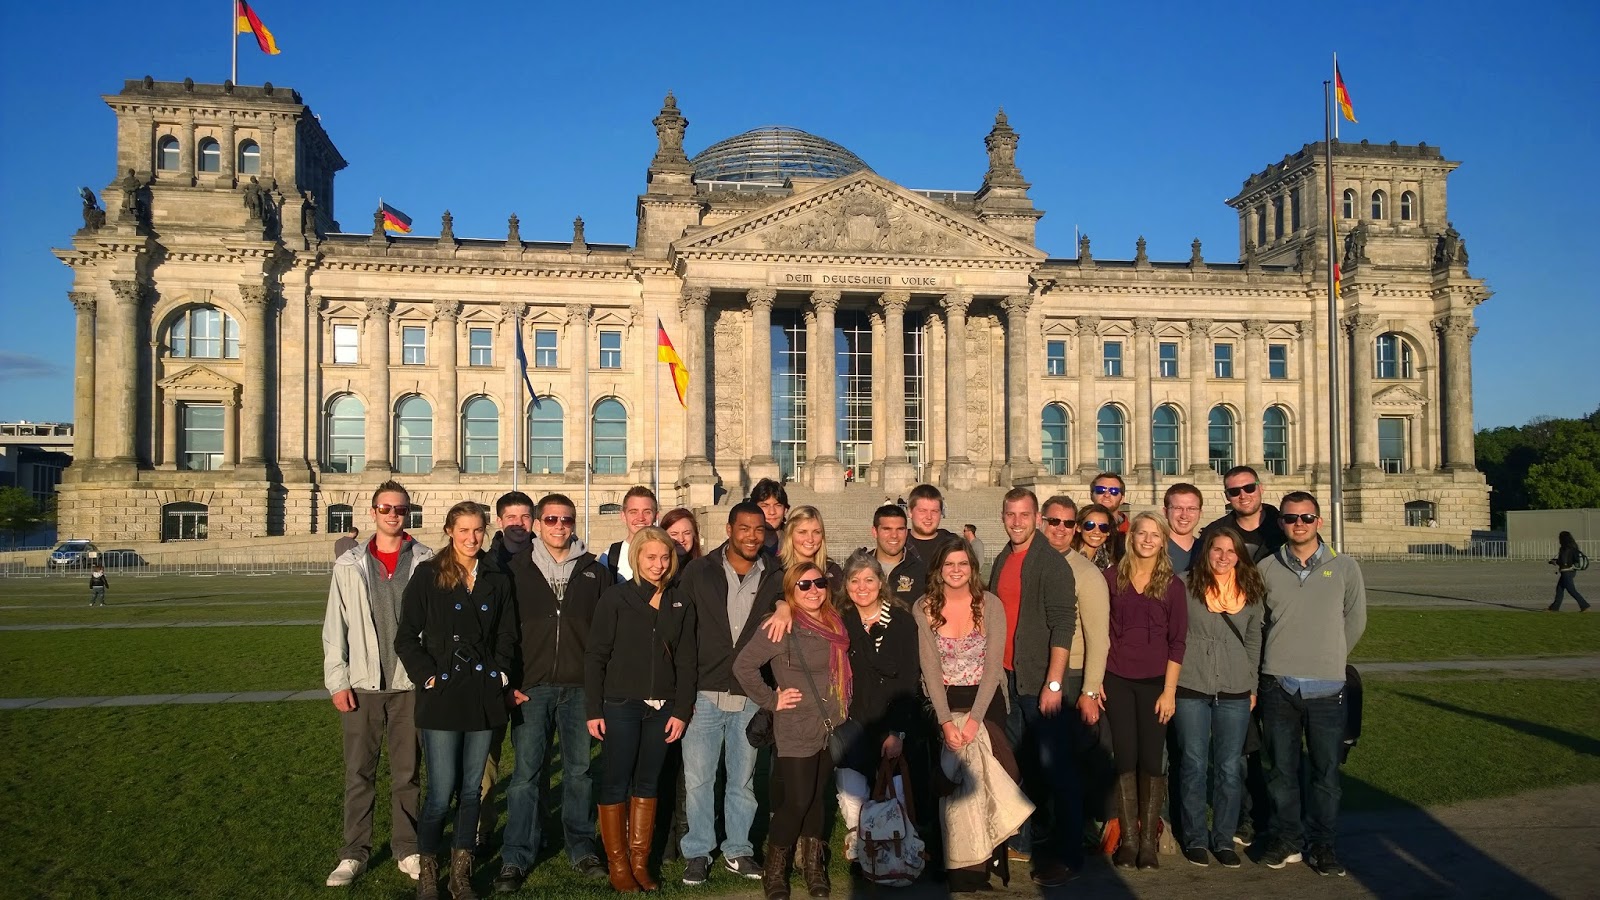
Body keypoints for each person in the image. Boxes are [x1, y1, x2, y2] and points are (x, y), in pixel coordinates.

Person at [396, 501, 518, 900]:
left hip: (482, 693)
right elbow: (406, 637)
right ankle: (429, 870)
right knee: (440, 790)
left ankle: (460, 874)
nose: (471, 538)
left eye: (478, 530)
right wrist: (429, 676)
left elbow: (507, 635)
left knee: (471, 790)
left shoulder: (497, 576)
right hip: (443, 695)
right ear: (449, 531)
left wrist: (500, 672)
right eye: (463, 530)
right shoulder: (429, 575)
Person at [493, 493, 613, 893]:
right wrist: (509, 684)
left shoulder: (595, 570)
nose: (559, 526)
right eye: (551, 519)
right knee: (526, 776)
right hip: (533, 686)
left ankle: (581, 847)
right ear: (538, 524)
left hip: (580, 687)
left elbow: (604, 637)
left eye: (566, 519)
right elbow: (504, 633)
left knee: (579, 773)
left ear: (574, 523)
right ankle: (517, 854)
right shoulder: (515, 569)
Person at [322, 481, 434, 888]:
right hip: (363, 684)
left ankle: (408, 847)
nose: (393, 514)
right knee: (359, 773)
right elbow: (336, 625)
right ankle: (354, 852)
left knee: (408, 774)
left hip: (409, 685)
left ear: (408, 514)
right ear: (373, 512)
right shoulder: (349, 564)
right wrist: (337, 680)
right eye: (386, 508)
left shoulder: (427, 561)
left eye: (400, 509)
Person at [1256, 492, 1367, 878]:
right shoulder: (1267, 567)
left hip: (1327, 687)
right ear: (1282, 523)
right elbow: (1259, 622)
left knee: (1325, 774)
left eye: (1306, 517)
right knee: (1281, 771)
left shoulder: (1346, 567)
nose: (1298, 524)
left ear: (1319, 521)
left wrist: (1330, 655)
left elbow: (1355, 620)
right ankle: (1286, 838)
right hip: (1278, 684)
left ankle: (1322, 844)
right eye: (1290, 518)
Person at [585, 526, 696, 893]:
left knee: (648, 783)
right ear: (637, 558)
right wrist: (593, 709)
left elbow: (686, 659)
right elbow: (596, 655)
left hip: (663, 709)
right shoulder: (616, 598)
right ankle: (617, 864)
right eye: (651, 557)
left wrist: (681, 709)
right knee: (616, 780)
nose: (659, 565)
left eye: (665, 558)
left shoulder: (679, 601)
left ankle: (639, 862)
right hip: (620, 704)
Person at [677, 503, 783, 885]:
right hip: (704, 689)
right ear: (729, 529)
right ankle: (698, 851)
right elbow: (682, 627)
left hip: (751, 691)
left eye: (758, 529)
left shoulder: (776, 574)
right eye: (744, 528)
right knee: (700, 778)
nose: (752, 536)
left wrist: (786, 603)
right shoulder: (699, 570)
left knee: (743, 779)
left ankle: (738, 849)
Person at [915, 542, 1030, 893]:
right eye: (948, 563)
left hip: (985, 697)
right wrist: (947, 721)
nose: (955, 569)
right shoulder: (924, 607)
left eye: (962, 563)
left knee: (999, 772)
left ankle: (991, 849)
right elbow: (930, 668)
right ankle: (958, 863)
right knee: (952, 780)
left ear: (973, 567)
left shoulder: (990, 604)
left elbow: (994, 664)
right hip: (943, 698)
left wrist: (975, 720)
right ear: (938, 568)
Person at [735, 562, 852, 900]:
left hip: (830, 722)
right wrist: (772, 699)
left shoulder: (834, 622)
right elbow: (743, 666)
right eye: (803, 585)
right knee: (797, 800)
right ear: (790, 591)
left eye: (819, 583)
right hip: (796, 724)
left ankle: (813, 867)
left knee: (817, 798)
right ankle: (775, 871)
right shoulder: (781, 625)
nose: (813, 590)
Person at [987, 489, 1078, 886]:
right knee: (1020, 766)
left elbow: (1064, 624)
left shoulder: (1052, 564)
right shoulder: (1004, 558)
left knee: (1055, 769)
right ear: (1003, 516)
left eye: (1025, 515)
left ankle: (1067, 855)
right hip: (1010, 678)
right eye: (1011, 514)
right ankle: (1025, 841)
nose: (1018, 521)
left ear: (1037, 518)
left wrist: (1054, 683)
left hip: (1040, 681)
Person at [1172, 525, 1264, 869]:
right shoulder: (1183, 584)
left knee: (1228, 768)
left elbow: (1254, 641)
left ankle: (1223, 839)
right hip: (1192, 685)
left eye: (1230, 551)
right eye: (1216, 550)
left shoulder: (1252, 589)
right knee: (1194, 765)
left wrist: (1252, 685)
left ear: (1239, 555)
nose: (1223, 557)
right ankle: (1196, 837)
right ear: (1206, 552)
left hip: (1235, 688)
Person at [1102, 512, 1186, 871]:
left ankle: (1149, 840)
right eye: (1142, 533)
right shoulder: (1111, 578)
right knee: (1125, 757)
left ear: (1163, 541)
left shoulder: (1173, 585)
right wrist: (1096, 684)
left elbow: (1178, 642)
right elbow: (1100, 629)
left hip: (1155, 683)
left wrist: (1169, 691)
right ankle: (1130, 840)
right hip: (1118, 679)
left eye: (1155, 535)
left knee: (1152, 760)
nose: (1148, 540)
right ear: (1131, 536)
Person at [831, 551, 924, 867]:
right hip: (854, 715)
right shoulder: (842, 620)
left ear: (880, 583)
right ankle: (861, 837)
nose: (861, 587)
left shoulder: (901, 621)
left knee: (893, 786)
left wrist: (896, 730)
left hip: (890, 716)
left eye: (869, 579)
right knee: (848, 771)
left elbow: (910, 676)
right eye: (854, 580)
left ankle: (898, 844)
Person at [1038, 495, 1111, 836]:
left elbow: (1099, 637)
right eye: (1055, 522)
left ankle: (1078, 830)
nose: (1061, 530)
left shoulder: (1086, 573)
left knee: (1068, 759)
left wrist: (1090, 690)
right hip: (1036, 671)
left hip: (1073, 674)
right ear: (1042, 522)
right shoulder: (1028, 561)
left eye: (1069, 524)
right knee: (1042, 757)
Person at [480, 492, 537, 862]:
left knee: (532, 762)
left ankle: (532, 831)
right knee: (485, 761)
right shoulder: (484, 563)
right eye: (510, 516)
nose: (518, 523)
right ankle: (482, 832)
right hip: (495, 675)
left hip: (535, 674)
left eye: (525, 516)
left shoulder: (550, 556)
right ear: (500, 521)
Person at [1202, 466, 1286, 564]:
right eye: (1234, 491)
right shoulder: (1212, 532)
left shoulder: (1286, 526)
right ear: (1227, 496)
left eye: (1249, 488)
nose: (1243, 496)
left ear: (1261, 488)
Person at [869, 504, 928, 608]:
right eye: (887, 529)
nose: (894, 535)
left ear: (906, 532)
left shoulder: (921, 571)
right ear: (875, 532)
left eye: (900, 529)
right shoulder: (859, 567)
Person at [601, 487, 659, 583]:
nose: (640, 518)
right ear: (623, 516)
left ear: (656, 516)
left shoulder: (667, 554)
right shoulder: (609, 557)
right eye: (633, 512)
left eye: (647, 512)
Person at [906, 484, 961, 563]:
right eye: (922, 511)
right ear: (910, 512)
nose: (929, 517)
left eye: (934, 511)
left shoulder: (954, 545)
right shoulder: (899, 545)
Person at [1162, 484, 1204, 574]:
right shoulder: (1155, 549)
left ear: (1200, 513)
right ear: (1165, 512)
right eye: (1178, 508)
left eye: (1191, 509)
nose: (1184, 515)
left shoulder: (1206, 550)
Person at [1547, 531, 1590, 612]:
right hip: (1571, 571)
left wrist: (1554, 562)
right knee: (1559, 589)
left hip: (1566, 572)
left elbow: (1563, 562)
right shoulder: (1573, 548)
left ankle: (1585, 606)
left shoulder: (1564, 549)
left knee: (1571, 590)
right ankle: (1554, 608)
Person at [1072, 503, 1120, 570]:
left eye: (1103, 527)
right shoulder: (1068, 557)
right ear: (1079, 528)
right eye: (1090, 525)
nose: (1097, 532)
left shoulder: (1112, 561)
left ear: (1108, 532)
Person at [752, 478, 790, 555]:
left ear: (785, 510)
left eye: (778, 505)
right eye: (765, 506)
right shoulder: (743, 543)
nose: (772, 512)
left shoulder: (795, 541)